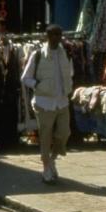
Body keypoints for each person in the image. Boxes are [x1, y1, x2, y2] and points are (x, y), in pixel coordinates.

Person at [21, 24, 73, 183]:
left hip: (62, 101)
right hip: (44, 103)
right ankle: (46, 168)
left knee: (64, 134)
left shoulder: (66, 53)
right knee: (45, 136)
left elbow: (70, 72)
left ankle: (52, 159)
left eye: (59, 35)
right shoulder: (37, 54)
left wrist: (68, 85)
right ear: (47, 37)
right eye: (54, 35)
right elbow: (25, 78)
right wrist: (38, 85)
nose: (57, 38)